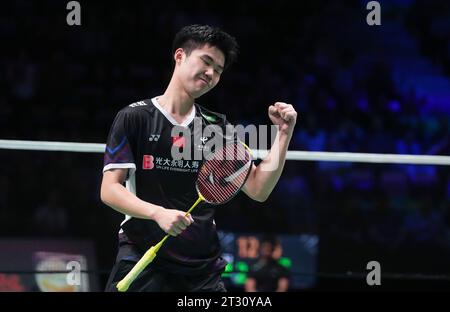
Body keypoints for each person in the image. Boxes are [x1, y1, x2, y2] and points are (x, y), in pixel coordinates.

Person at [101, 24, 297, 292]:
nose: (211, 74)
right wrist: (157, 213)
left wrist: (283, 135)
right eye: (206, 62)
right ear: (179, 56)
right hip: (144, 255)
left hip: (202, 270)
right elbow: (109, 190)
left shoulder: (217, 127)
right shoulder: (135, 118)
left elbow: (258, 189)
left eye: (218, 70)